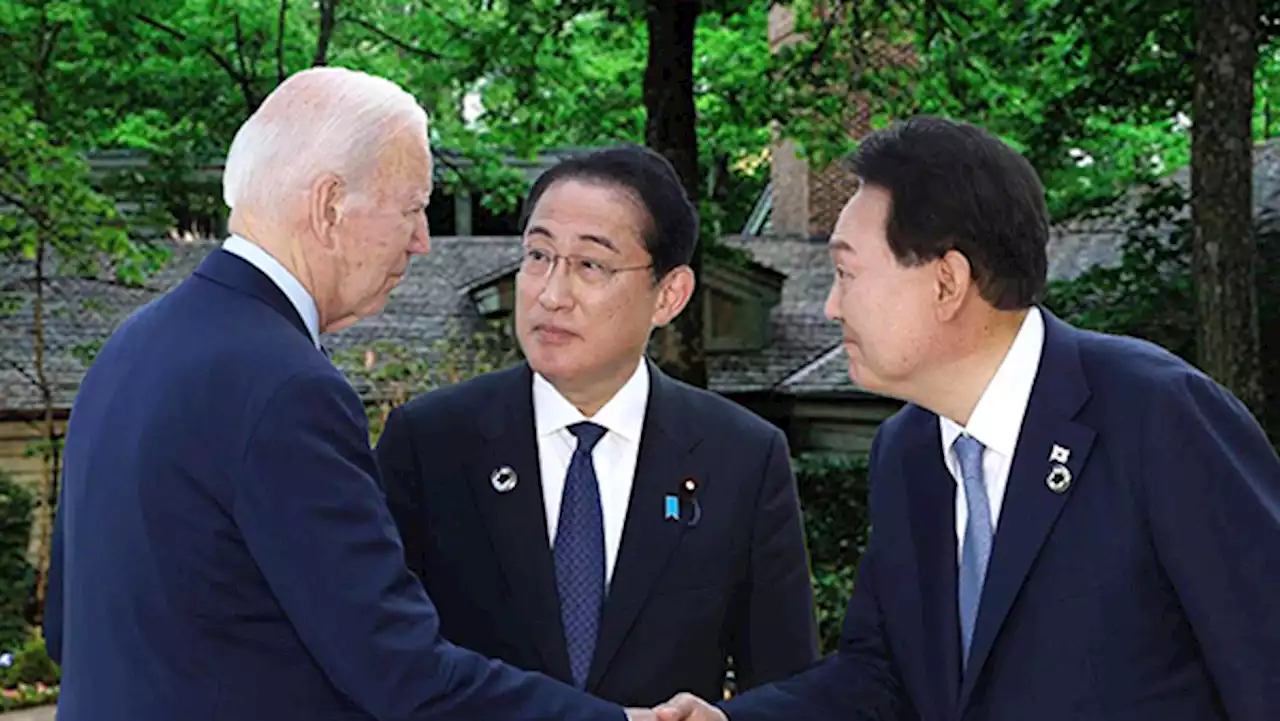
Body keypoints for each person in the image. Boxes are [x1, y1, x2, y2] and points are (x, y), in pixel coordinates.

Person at [43, 66, 654, 721]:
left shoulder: (129, 348)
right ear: (330, 205)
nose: (422, 241)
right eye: (413, 209)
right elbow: (399, 671)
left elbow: (64, 627)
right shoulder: (286, 387)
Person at [654, 115, 1280, 721]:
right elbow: (883, 675)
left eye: (847, 273)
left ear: (948, 282)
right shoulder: (907, 451)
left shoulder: (1154, 413)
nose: (830, 305)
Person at [373, 145, 820, 709]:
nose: (551, 294)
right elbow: (382, 655)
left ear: (670, 294)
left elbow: (788, 687)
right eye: (538, 256)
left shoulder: (741, 457)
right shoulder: (431, 441)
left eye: (590, 265)